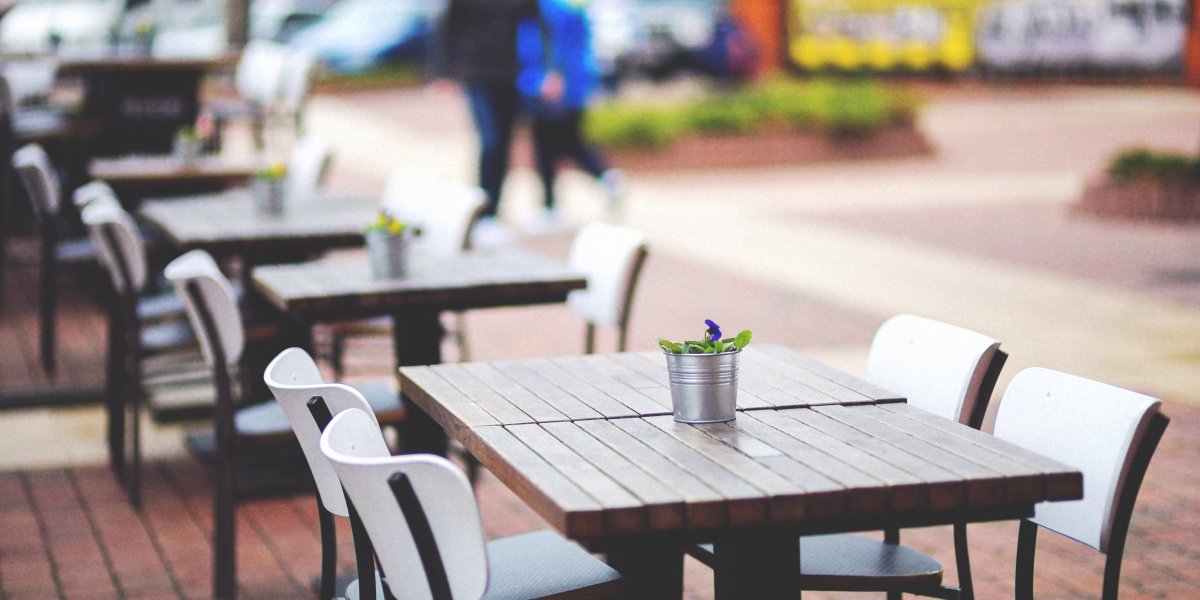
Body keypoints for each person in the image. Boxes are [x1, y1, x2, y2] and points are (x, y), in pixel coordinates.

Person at [430, 0, 541, 245]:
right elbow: (447, 26)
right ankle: (483, 212)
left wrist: (546, 69)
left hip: (511, 75)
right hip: (476, 73)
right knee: (491, 140)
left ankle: (494, 211)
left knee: (503, 144)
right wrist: (441, 73)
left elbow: (537, 24)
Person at [516, 0, 625, 233]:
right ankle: (606, 178)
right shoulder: (570, 9)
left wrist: (541, 79)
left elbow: (545, 45)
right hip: (571, 87)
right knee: (571, 143)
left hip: (552, 89)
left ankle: (550, 207)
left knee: (546, 149)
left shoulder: (546, 10)